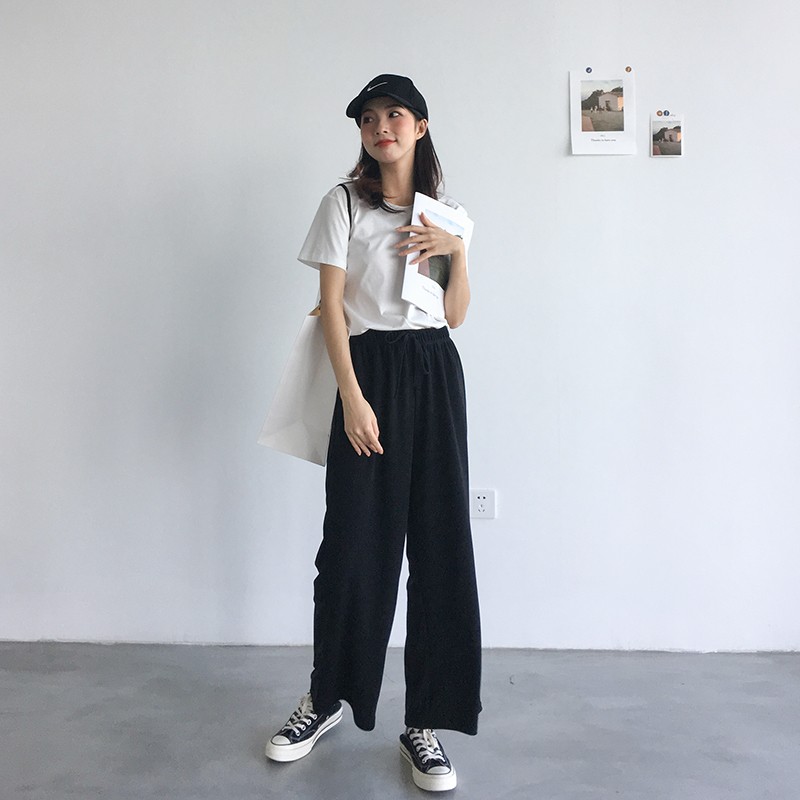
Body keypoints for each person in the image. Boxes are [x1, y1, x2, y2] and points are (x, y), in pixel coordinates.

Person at [265, 74, 482, 793]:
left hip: (435, 372)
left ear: (420, 126)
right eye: (368, 118)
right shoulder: (343, 204)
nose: (380, 126)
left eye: (394, 114)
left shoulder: (446, 215)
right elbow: (330, 307)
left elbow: (455, 315)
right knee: (353, 547)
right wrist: (353, 398)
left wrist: (458, 251)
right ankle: (327, 696)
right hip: (370, 372)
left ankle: (426, 722)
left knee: (441, 545)